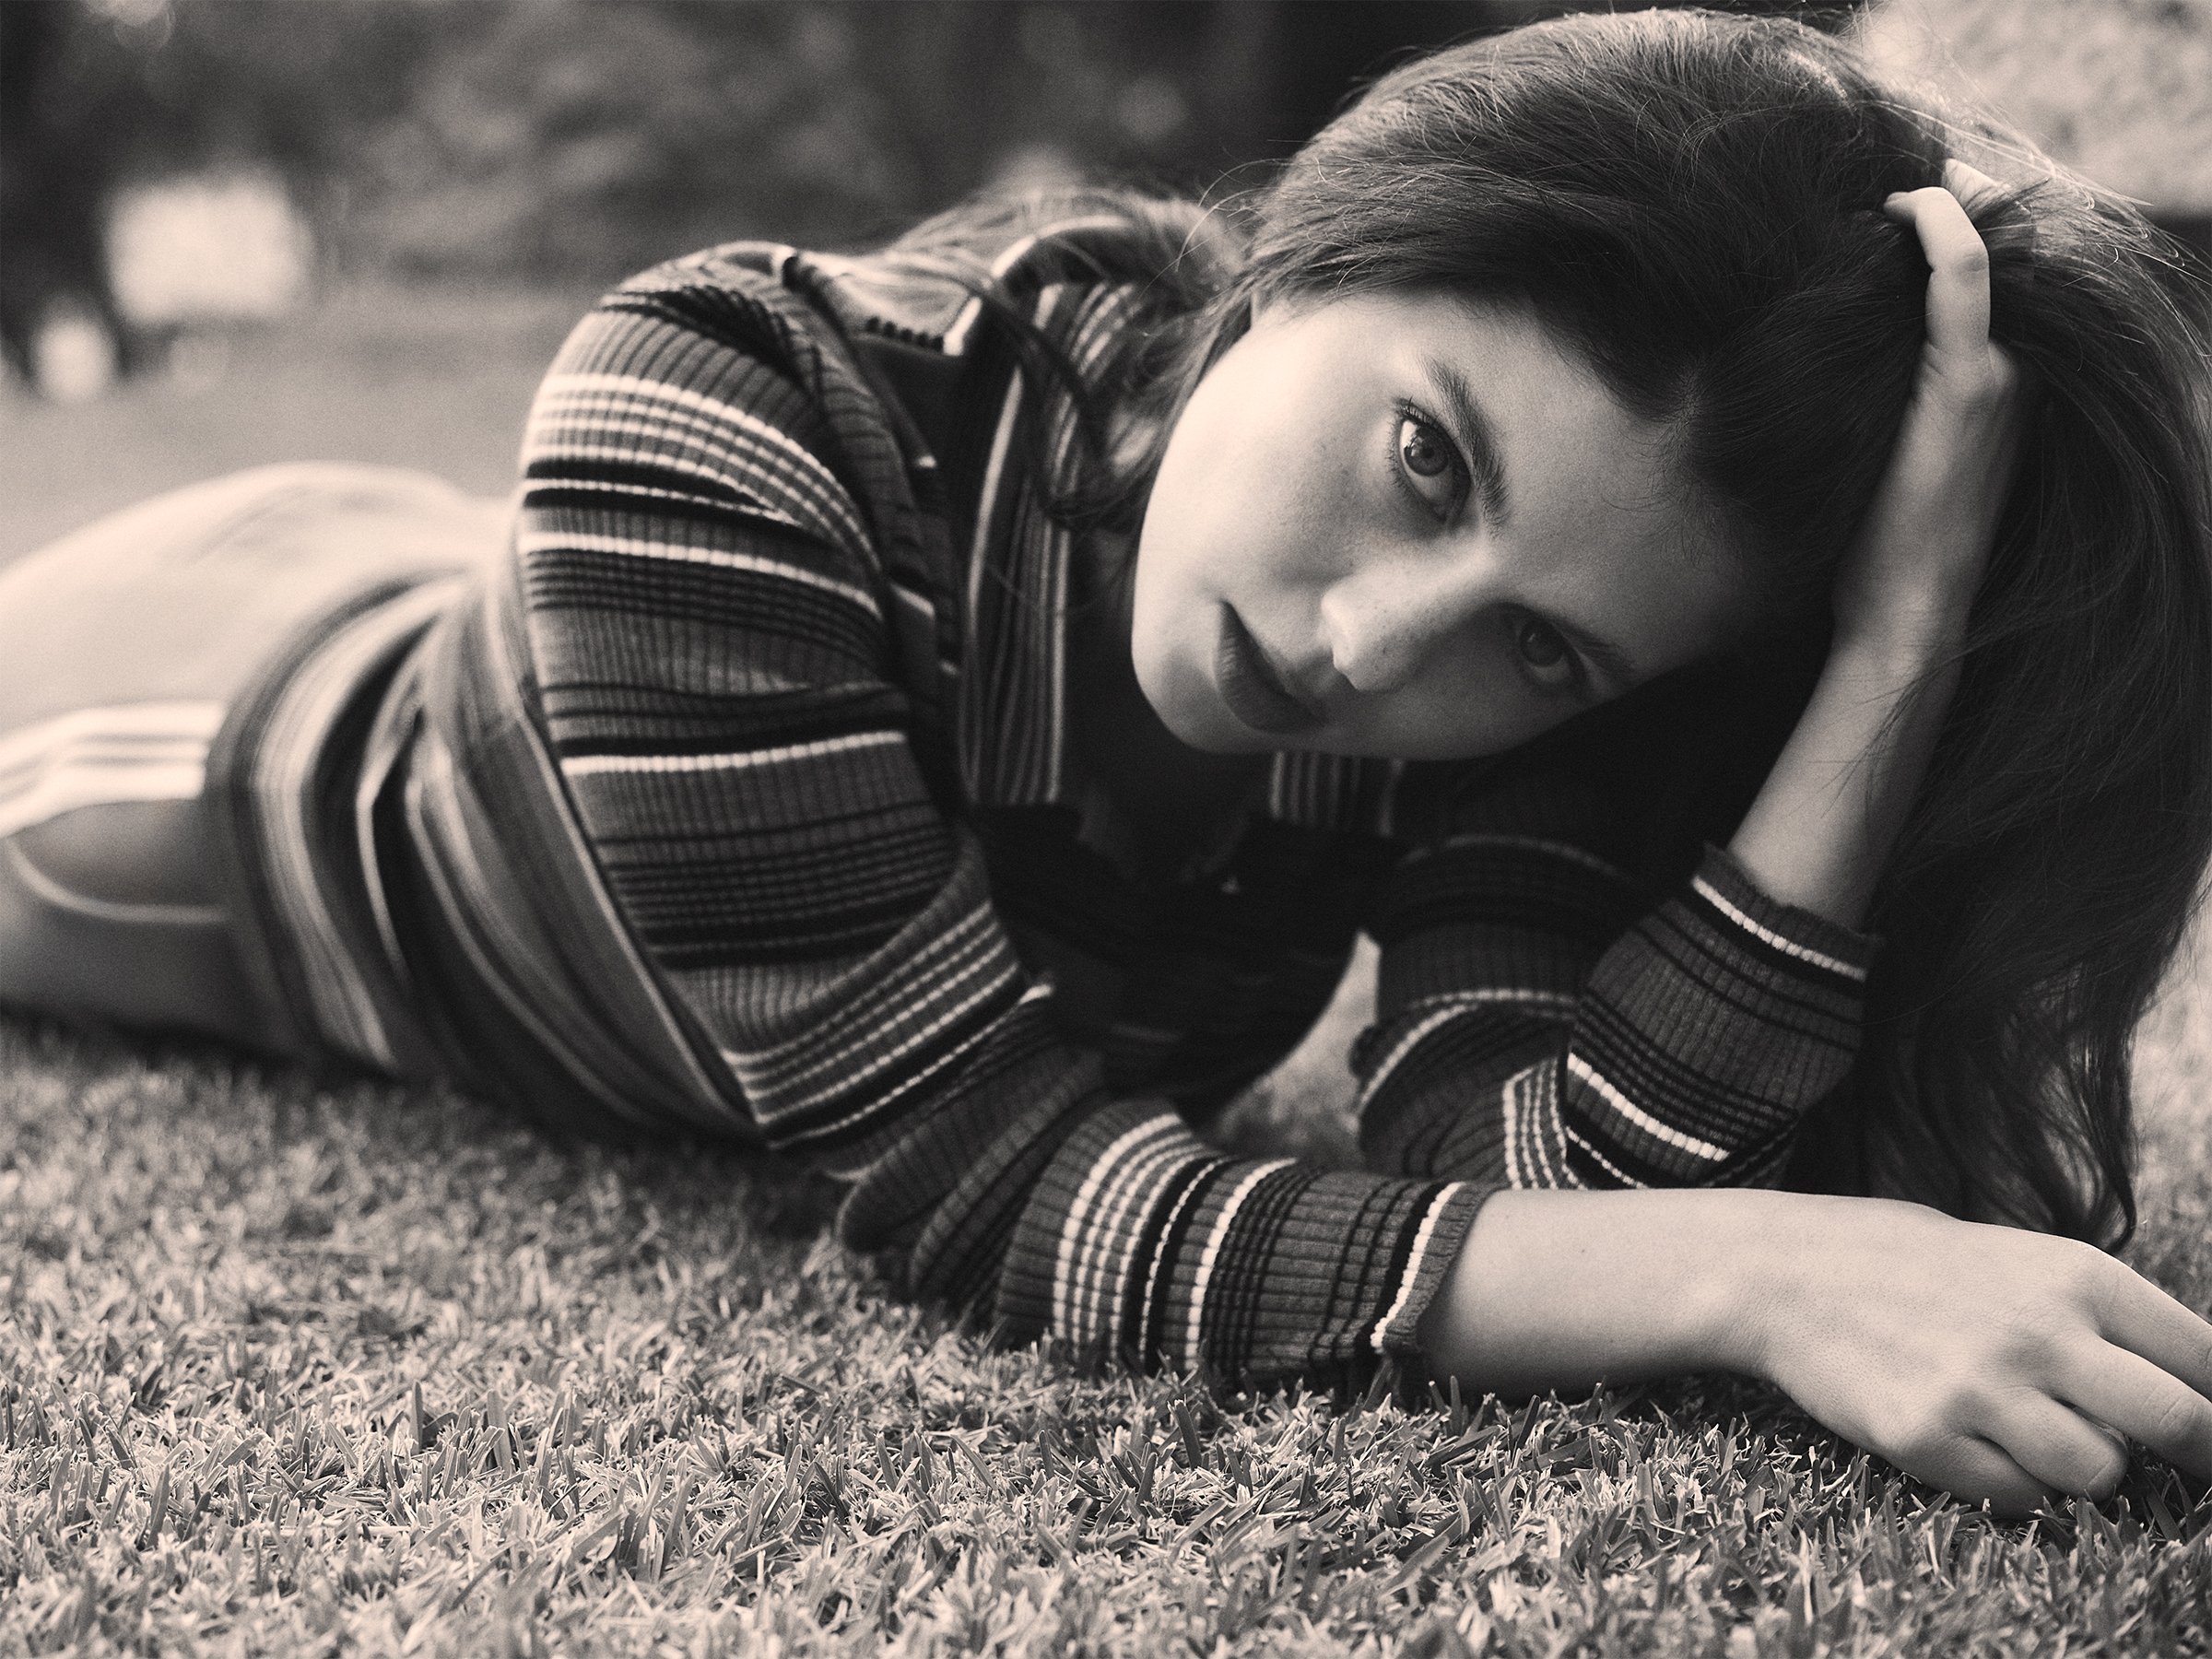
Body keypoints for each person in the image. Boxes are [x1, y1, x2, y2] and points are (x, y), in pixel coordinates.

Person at [3, 10, 2208, 1518]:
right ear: (1323, 252)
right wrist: (1780, 1274)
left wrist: (1891, 660)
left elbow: (1525, 1171)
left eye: (1537, 646)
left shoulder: (1486, 691)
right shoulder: (704, 419)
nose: (1366, 650)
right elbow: (1001, 1198)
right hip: (174, 740)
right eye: (1425, 461)